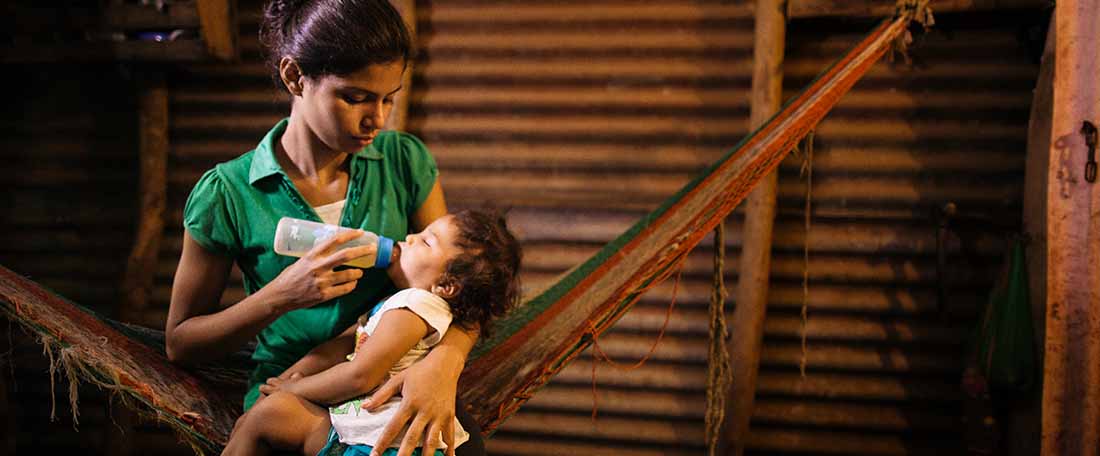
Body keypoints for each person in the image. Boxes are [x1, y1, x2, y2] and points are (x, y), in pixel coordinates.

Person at [164, 1, 487, 454]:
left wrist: (444, 366)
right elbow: (181, 344)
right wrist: (280, 296)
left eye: (388, 98)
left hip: (394, 385)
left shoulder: (403, 162)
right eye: (355, 97)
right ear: (295, 77)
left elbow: (462, 283)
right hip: (294, 389)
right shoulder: (228, 193)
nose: (377, 119)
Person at [221, 210, 521, 456]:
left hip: (375, 444)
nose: (411, 236)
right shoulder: (414, 308)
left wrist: (292, 390)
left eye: (427, 242)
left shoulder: (414, 304)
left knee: (266, 415)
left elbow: (360, 375)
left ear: (445, 286)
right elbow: (343, 349)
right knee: (263, 417)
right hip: (381, 438)